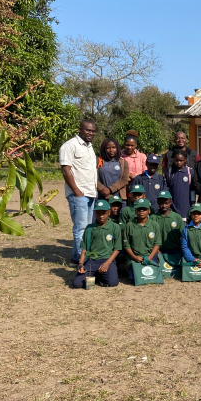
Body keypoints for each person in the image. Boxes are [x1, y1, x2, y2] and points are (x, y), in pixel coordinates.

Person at [60, 119, 98, 264]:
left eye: (93, 131)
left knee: (87, 228)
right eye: (88, 130)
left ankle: (77, 257)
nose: (91, 133)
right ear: (80, 129)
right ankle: (83, 260)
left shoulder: (89, 147)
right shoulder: (70, 146)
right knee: (81, 228)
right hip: (79, 194)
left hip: (90, 193)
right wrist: (77, 192)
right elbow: (66, 170)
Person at [73, 200, 121, 288]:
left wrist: (107, 263)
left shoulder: (115, 227)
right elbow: (85, 248)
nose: (101, 216)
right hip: (92, 261)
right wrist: (80, 264)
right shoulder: (90, 228)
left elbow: (117, 249)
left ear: (109, 212)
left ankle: (100, 275)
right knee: (77, 284)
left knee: (112, 283)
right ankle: (96, 275)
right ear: (95, 213)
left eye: (104, 213)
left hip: (107, 259)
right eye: (98, 213)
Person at [123, 198, 161, 284]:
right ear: (135, 211)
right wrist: (134, 257)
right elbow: (126, 245)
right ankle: (128, 266)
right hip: (134, 257)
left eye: (144, 209)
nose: (141, 211)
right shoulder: (129, 225)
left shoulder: (154, 225)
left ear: (149, 211)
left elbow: (157, 243)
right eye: (139, 209)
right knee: (134, 280)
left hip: (150, 256)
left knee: (154, 278)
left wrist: (150, 257)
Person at [153, 190, 184, 274]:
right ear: (157, 202)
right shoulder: (153, 218)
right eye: (161, 203)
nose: (164, 205)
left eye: (166, 203)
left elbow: (183, 236)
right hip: (159, 251)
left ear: (171, 202)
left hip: (175, 250)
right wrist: (156, 250)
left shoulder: (177, 217)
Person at [164, 149, 194, 222]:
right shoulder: (169, 172)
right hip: (173, 205)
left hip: (186, 206)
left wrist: (192, 203)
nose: (179, 163)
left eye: (181, 160)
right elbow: (166, 188)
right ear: (173, 160)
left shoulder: (190, 172)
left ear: (185, 160)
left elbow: (192, 190)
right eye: (176, 160)